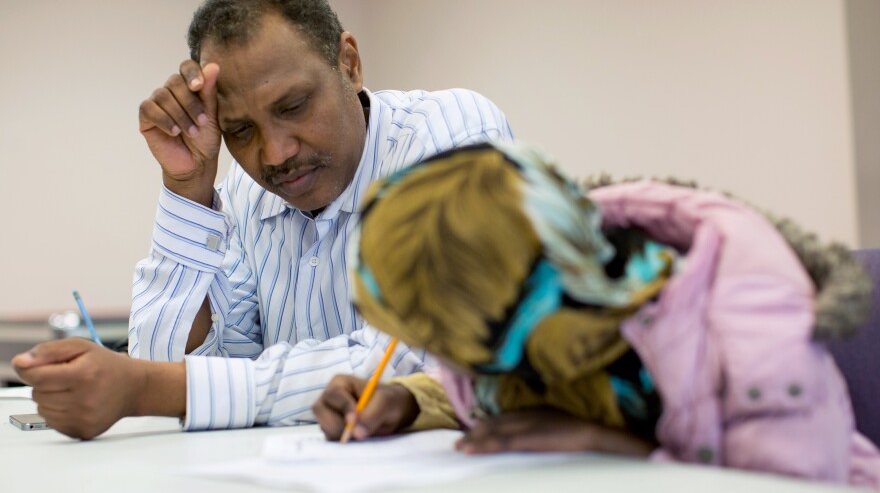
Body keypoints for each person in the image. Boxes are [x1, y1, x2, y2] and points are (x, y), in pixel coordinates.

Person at [12, 0, 513, 440]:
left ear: (350, 64)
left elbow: (422, 357)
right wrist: (188, 189)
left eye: (292, 107)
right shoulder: (247, 196)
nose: (275, 155)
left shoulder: (451, 132)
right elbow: (166, 359)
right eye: (240, 131)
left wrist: (152, 390)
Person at [311, 142, 880, 486]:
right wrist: (408, 401)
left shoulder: (747, 329)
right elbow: (499, 388)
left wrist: (614, 449)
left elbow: (796, 483)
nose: (485, 375)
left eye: (501, 355)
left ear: (560, 288)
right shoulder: (525, 322)